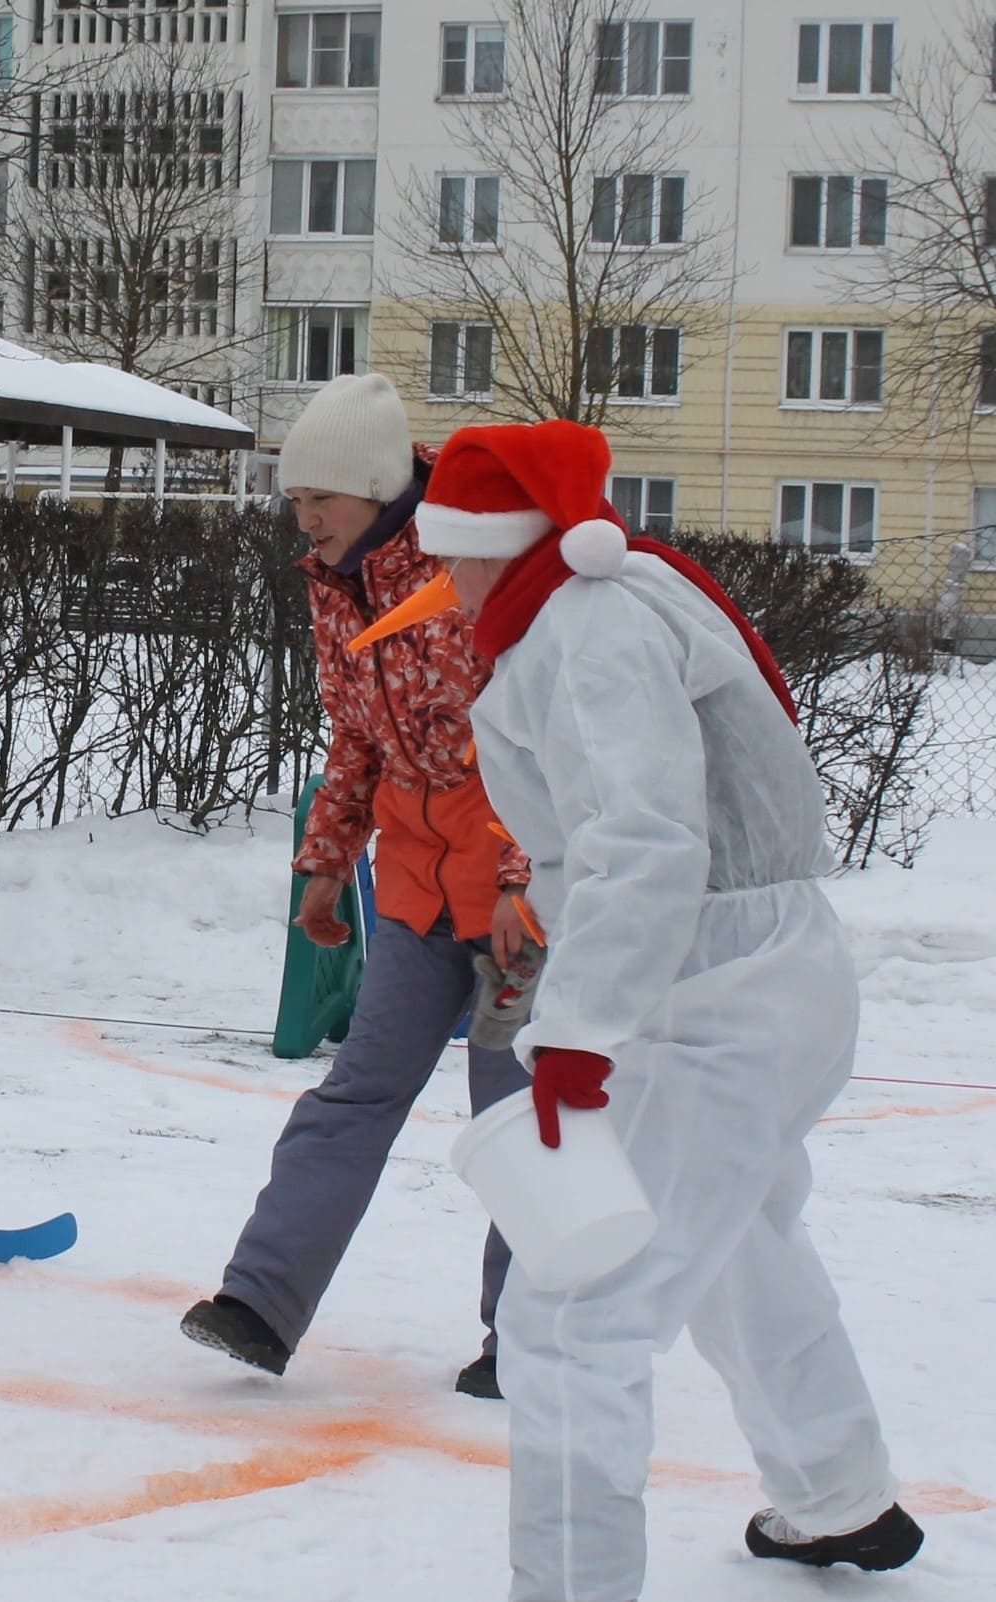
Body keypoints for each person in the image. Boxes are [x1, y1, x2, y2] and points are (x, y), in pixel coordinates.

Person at [410, 419, 919, 1598]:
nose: (443, 579)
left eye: (450, 551)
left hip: (711, 990)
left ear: (490, 540)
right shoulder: (607, 599)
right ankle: (836, 1495)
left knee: (569, 1316)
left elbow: (644, 840)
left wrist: (578, 1034)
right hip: (757, 975)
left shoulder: (588, 624)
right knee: (739, 1243)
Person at [178, 371, 533, 1398]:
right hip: (416, 888)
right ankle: (260, 1302)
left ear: (375, 488)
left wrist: (518, 880)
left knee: (515, 1115)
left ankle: (532, 1341)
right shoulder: (339, 585)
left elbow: (533, 740)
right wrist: (327, 867)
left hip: (521, 895)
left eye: (317, 499)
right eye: (294, 500)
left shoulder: (472, 566)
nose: (303, 517)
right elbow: (356, 739)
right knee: (355, 1092)